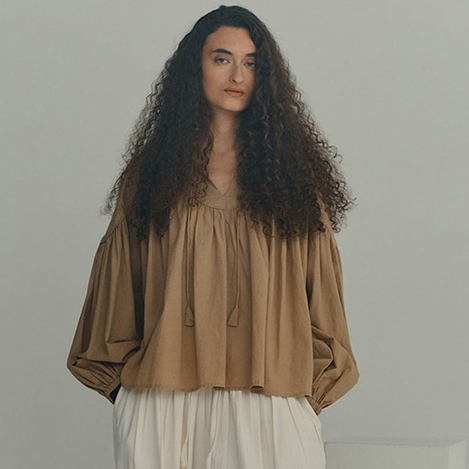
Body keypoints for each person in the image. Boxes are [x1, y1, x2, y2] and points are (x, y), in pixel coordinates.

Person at [66, 5, 360, 468]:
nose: (238, 75)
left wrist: (301, 402)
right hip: (161, 406)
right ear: (194, 68)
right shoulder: (152, 175)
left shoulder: (294, 180)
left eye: (251, 62)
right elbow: (118, 291)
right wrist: (131, 397)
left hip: (270, 402)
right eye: (222, 58)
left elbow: (321, 297)